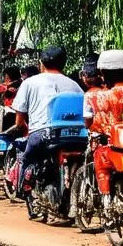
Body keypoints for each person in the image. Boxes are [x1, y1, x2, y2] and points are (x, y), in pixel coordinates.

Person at [86, 49, 123, 215]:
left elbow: (95, 122)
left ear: (104, 74)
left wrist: (93, 128)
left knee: (100, 162)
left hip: (113, 149)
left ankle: (105, 200)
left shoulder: (102, 96)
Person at [11, 46, 82, 181]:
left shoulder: (29, 83)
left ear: (41, 63)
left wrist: (21, 127)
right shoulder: (75, 85)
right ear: (64, 64)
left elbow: (19, 121)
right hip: (75, 135)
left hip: (42, 134)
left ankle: (23, 187)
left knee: (25, 159)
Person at [0, 65, 22, 130]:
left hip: (14, 111)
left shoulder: (21, 84)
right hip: (10, 111)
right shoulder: (8, 85)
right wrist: (7, 88)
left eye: (6, 75)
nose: (5, 77)